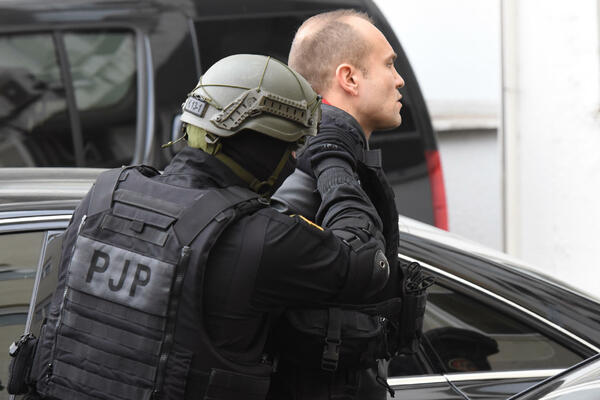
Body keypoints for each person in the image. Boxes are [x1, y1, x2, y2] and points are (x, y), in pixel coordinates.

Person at [9, 54, 391, 400]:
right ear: (267, 148)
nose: (292, 161)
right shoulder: (261, 236)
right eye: (292, 148)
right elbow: (368, 263)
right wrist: (333, 161)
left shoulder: (104, 195)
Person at [269, 9, 418, 400]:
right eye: (389, 64)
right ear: (349, 78)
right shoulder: (308, 176)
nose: (399, 80)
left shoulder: (324, 161)